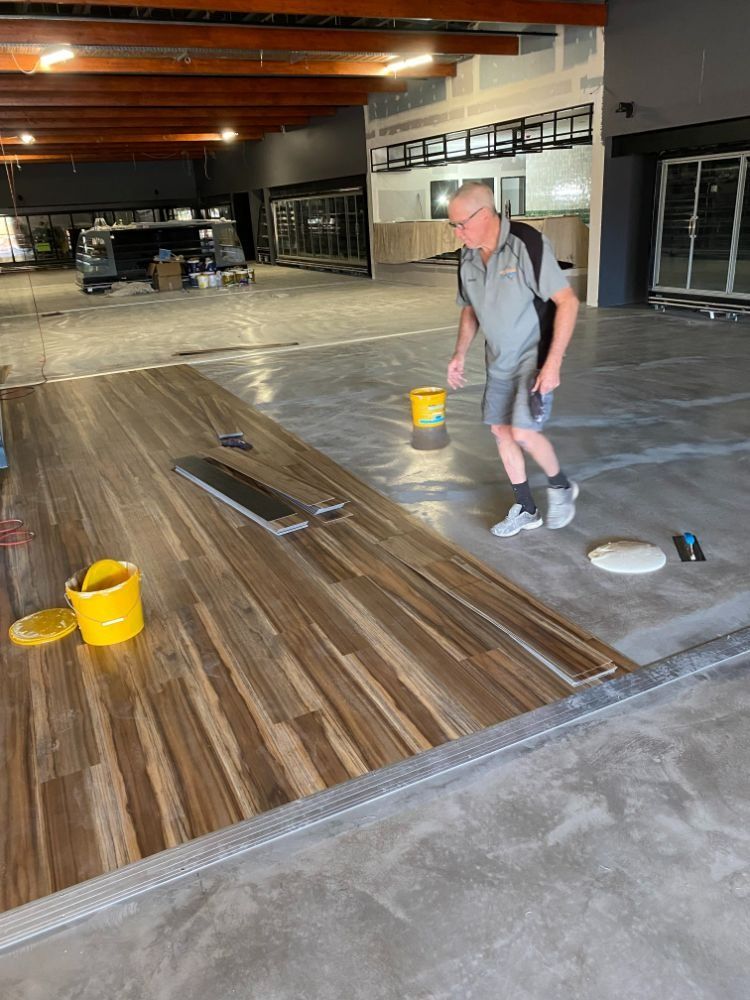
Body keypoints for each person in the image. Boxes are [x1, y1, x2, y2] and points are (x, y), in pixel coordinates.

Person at [446, 181, 579, 537]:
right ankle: (526, 507)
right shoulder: (468, 255)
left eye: (462, 224)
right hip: (499, 360)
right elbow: (470, 309)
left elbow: (567, 301)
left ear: (485, 214)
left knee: (522, 431)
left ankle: (561, 485)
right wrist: (459, 354)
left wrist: (553, 364)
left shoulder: (526, 243)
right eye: (453, 226)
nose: (458, 234)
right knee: (500, 431)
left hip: (533, 358)